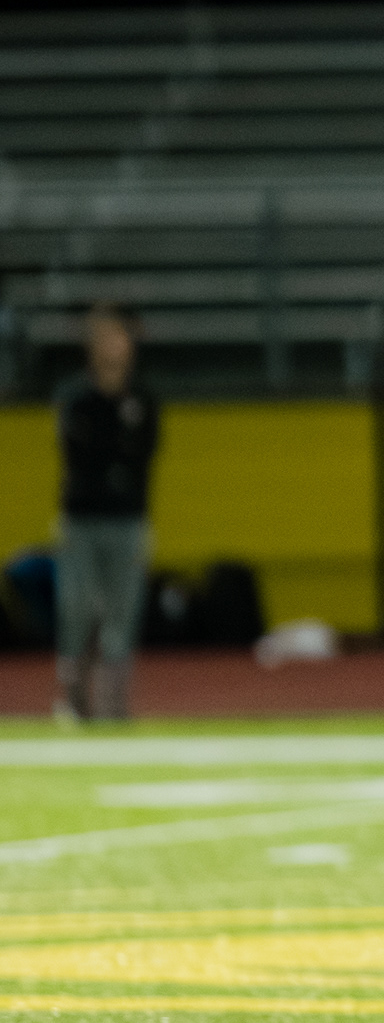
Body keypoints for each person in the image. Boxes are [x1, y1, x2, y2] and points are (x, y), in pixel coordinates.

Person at [53, 305, 159, 724]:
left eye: (119, 337)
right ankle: (75, 697)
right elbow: (80, 455)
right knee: (76, 606)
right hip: (81, 518)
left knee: (123, 608)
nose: (114, 346)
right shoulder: (75, 397)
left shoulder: (143, 398)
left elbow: (143, 454)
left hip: (128, 517)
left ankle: (114, 702)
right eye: (105, 338)